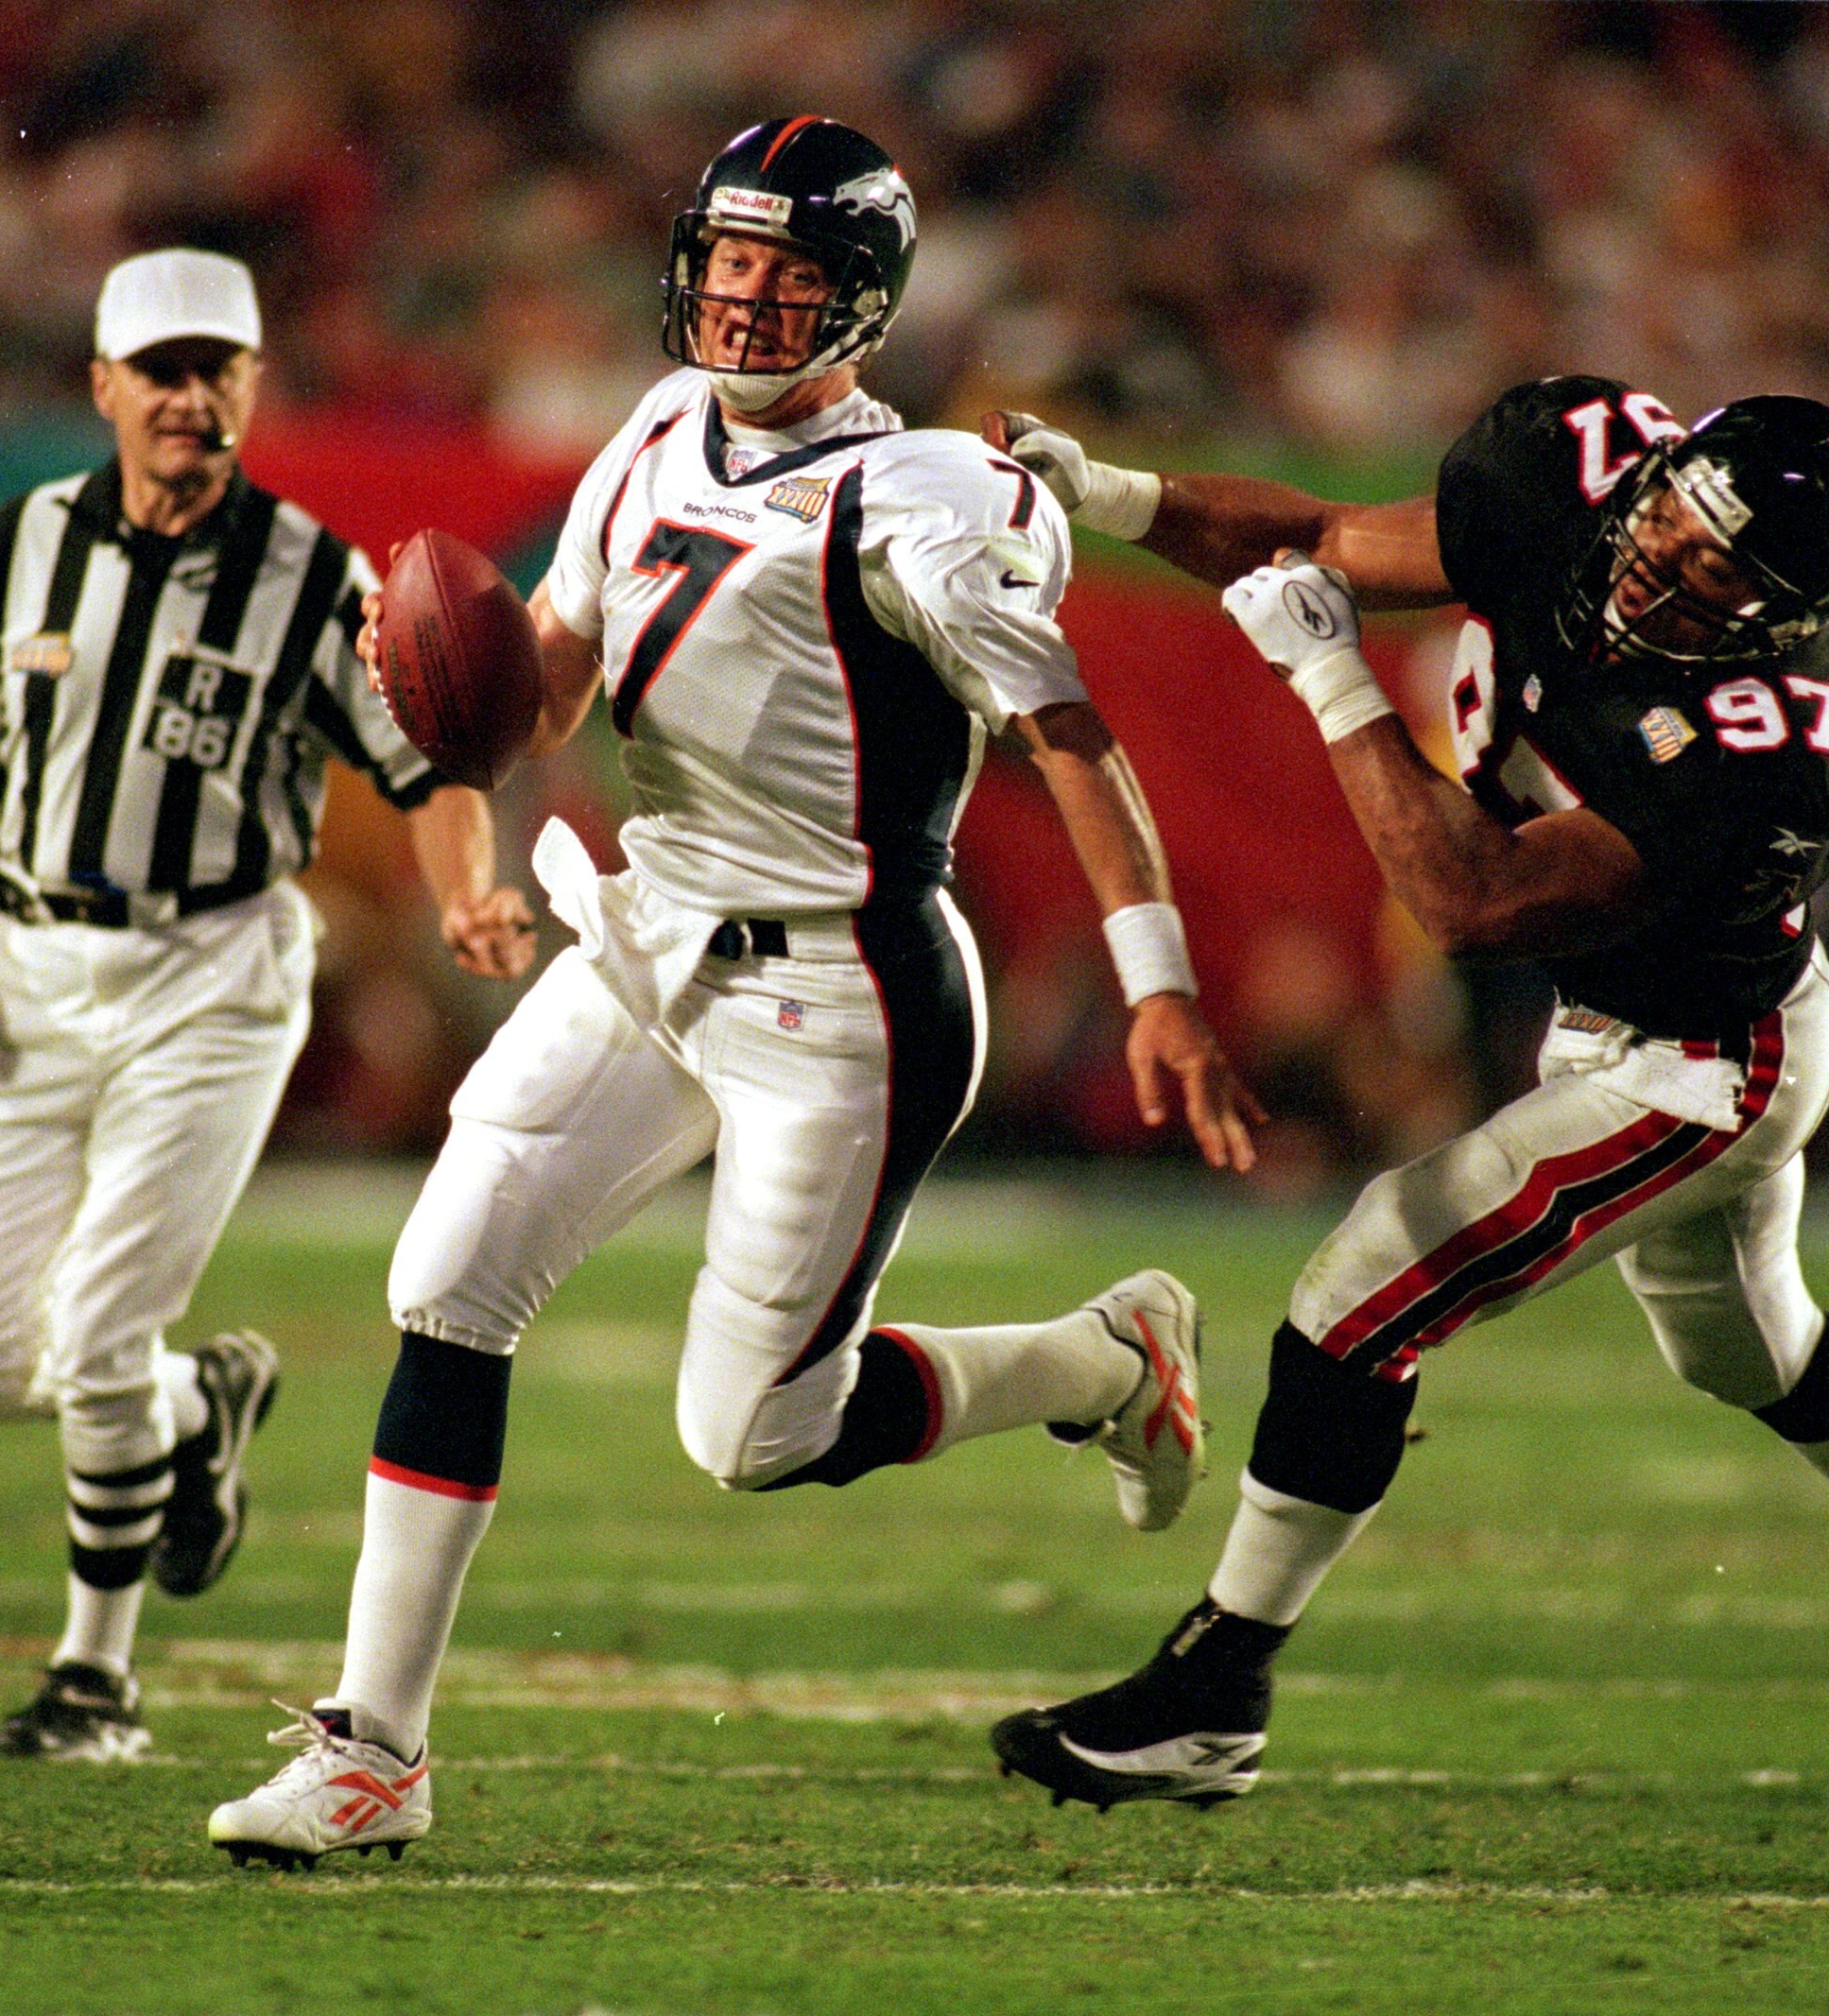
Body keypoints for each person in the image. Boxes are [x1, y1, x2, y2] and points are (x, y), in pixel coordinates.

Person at [205, 117, 1254, 1868]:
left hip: (842, 990)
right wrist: (460, 719)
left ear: (866, 297)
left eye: (794, 273)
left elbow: (1070, 735)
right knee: (447, 1280)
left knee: (757, 1434)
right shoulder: (649, 421)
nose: (752, 301)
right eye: (735, 260)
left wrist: (1158, 982)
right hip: (650, 931)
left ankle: (1100, 1357)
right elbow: (557, 663)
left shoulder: (923, 494)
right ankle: (374, 1747)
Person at [978, 378, 1829, 1805]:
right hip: (1648, 1018)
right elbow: (1332, 534)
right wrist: (1104, 492)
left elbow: (1468, 901)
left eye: (1723, 570)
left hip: (1703, 1059)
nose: (1668, 561)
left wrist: (1336, 683)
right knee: (1746, 1351)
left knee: (1363, 1289)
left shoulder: (1768, 745)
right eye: (1676, 518)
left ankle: (1215, 1689)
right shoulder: (1574, 473)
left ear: (1777, 618)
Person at [0, 249, 536, 1760]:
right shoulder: (18, 542)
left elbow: (423, 758)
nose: (186, 396)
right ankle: (193, 1407)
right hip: (26, 971)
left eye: (214, 367)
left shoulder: (313, 574)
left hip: (211, 975)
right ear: (102, 385)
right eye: (157, 369)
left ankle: (95, 1672)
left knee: (95, 1326)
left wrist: (464, 892)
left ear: (251, 385)